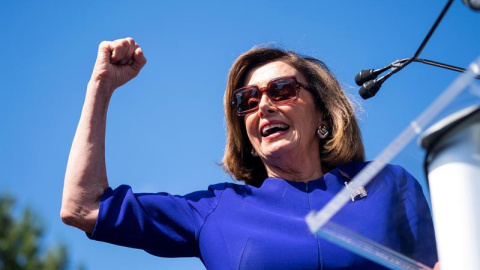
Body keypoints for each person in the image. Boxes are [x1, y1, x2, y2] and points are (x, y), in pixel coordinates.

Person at [61, 37, 438, 269]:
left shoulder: (386, 186)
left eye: (282, 90)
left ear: (322, 111)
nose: (263, 106)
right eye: (248, 100)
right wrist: (101, 86)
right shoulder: (215, 210)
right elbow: (82, 207)